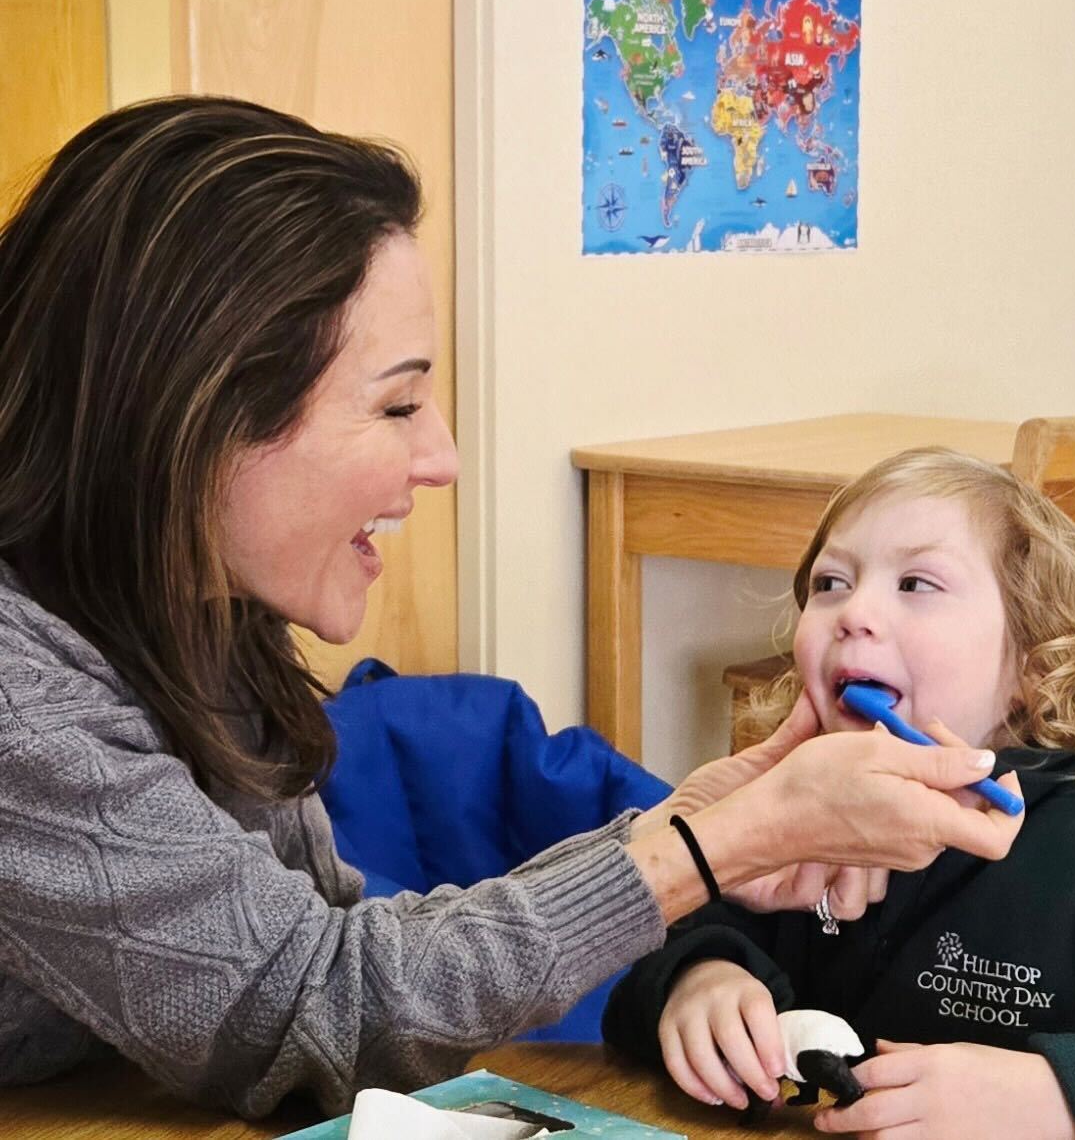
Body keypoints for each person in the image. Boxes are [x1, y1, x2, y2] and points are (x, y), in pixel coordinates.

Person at [0, 98, 1022, 1119]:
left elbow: (328, 949)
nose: (441, 456)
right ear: (201, 411)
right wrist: (704, 851)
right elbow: (313, 1006)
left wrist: (687, 824)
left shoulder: (196, 615)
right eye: (398, 404)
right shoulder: (24, 701)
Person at [603, 448, 1075, 1140]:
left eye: (918, 584)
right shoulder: (788, 823)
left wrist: (1055, 1096)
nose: (854, 612)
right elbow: (650, 957)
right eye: (831, 582)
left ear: (1034, 663)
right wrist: (698, 981)